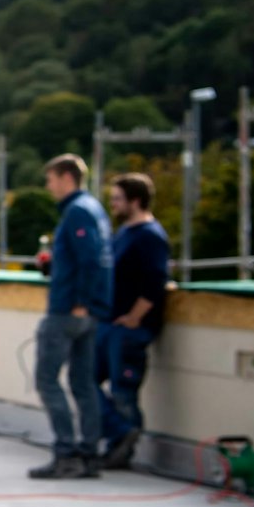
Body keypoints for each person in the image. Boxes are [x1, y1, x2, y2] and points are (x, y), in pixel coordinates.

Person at [30, 153, 113, 480]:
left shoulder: (77, 211)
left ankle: (66, 452)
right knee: (83, 383)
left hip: (69, 310)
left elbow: (90, 259)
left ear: (66, 178)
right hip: (91, 312)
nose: (48, 187)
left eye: (50, 180)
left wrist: (79, 300)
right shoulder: (94, 208)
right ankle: (89, 453)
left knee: (47, 380)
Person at [99, 172, 169, 470]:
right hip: (109, 322)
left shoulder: (150, 236)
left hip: (130, 329)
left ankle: (122, 447)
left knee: (123, 390)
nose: (113, 204)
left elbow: (155, 282)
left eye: (118, 198)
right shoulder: (124, 233)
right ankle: (119, 432)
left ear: (135, 201)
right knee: (84, 379)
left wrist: (135, 317)